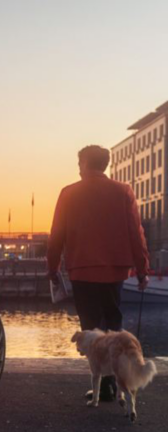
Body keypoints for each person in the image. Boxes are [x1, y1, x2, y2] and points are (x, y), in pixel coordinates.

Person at [47, 145, 150, 401]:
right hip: (115, 269)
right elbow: (135, 233)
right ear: (105, 165)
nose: (78, 168)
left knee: (91, 328)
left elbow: (57, 233)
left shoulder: (69, 193)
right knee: (114, 326)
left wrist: (52, 267)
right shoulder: (123, 191)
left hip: (82, 268)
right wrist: (142, 269)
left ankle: (102, 386)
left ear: (84, 164)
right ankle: (115, 384)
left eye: (79, 163)